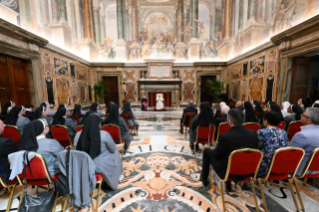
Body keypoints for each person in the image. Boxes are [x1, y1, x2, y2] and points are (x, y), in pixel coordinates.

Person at [200, 109, 259, 190]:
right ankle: (228, 184)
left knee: (207, 151)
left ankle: (204, 178)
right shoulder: (253, 134)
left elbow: (217, 154)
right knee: (229, 153)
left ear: (230, 121)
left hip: (229, 172)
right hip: (249, 170)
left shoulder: (225, 136)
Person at [74, 115, 123, 190]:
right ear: (99, 124)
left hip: (83, 164)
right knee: (116, 153)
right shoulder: (104, 134)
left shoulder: (78, 134)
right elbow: (112, 148)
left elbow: (75, 148)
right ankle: (113, 180)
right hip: (99, 166)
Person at [257, 111, 288, 176]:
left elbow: (257, 149)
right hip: (279, 165)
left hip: (264, 167)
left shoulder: (261, 132)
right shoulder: (283, 132)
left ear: (266, 120)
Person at [289, 108, 319, 176]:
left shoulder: (302, 135)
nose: (300, 115)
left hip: (301, 169)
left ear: (309, 120)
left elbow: (288, 152)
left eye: (303, 114)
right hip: (316, 168)